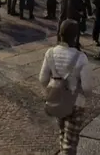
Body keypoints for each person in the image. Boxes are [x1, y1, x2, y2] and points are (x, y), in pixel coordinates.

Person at [39, 20, 93, 155]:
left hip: (57, 100)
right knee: (70, 142)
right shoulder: (81, 57)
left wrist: (55, 88)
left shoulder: (50, 53)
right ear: (75, 37)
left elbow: (43, 79)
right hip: (76, 103)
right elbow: (87, 88)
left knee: (62, 134)